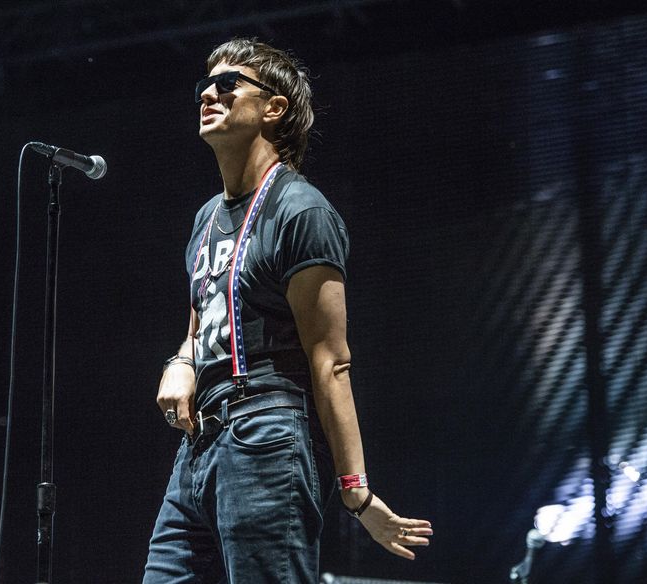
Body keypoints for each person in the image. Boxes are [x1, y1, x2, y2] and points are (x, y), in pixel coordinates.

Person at [144, 38, 432, 583]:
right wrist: (181, 361)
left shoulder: (301, 210)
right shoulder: (207, 217)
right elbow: (204, 319)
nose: (209, 92)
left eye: (229, 83)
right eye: (206, 84)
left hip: (267, 436)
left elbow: (332, 362)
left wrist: (355, 492)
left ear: (273, 108)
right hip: (200, 443)